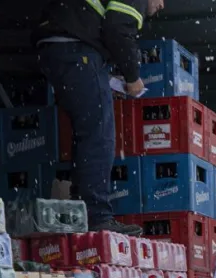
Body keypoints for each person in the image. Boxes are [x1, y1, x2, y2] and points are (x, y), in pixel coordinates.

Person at [32, 0, 166, 236]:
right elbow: (117, 28)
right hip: (76, 48)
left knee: (86, 132)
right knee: (99, 136)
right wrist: (132, 77)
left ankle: (80, 210)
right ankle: (96, 216)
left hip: (56, 45)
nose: (162, 5)